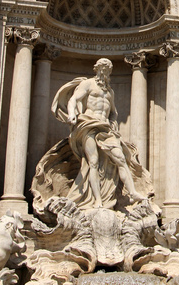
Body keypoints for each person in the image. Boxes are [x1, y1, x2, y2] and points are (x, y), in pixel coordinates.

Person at [63, 58, 149, 207]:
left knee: (121, 159)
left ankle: (133, 192)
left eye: (108, 69)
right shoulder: (88, 84)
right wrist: (71, 113)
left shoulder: (109, 91)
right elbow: (73, 100)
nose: (105, 71)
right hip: (89, 124)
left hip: (105, 127)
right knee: (93, 162)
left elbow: (113, 112)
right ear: (96, 69)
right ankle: (97, 200)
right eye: (103, 68)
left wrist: (113, 123)